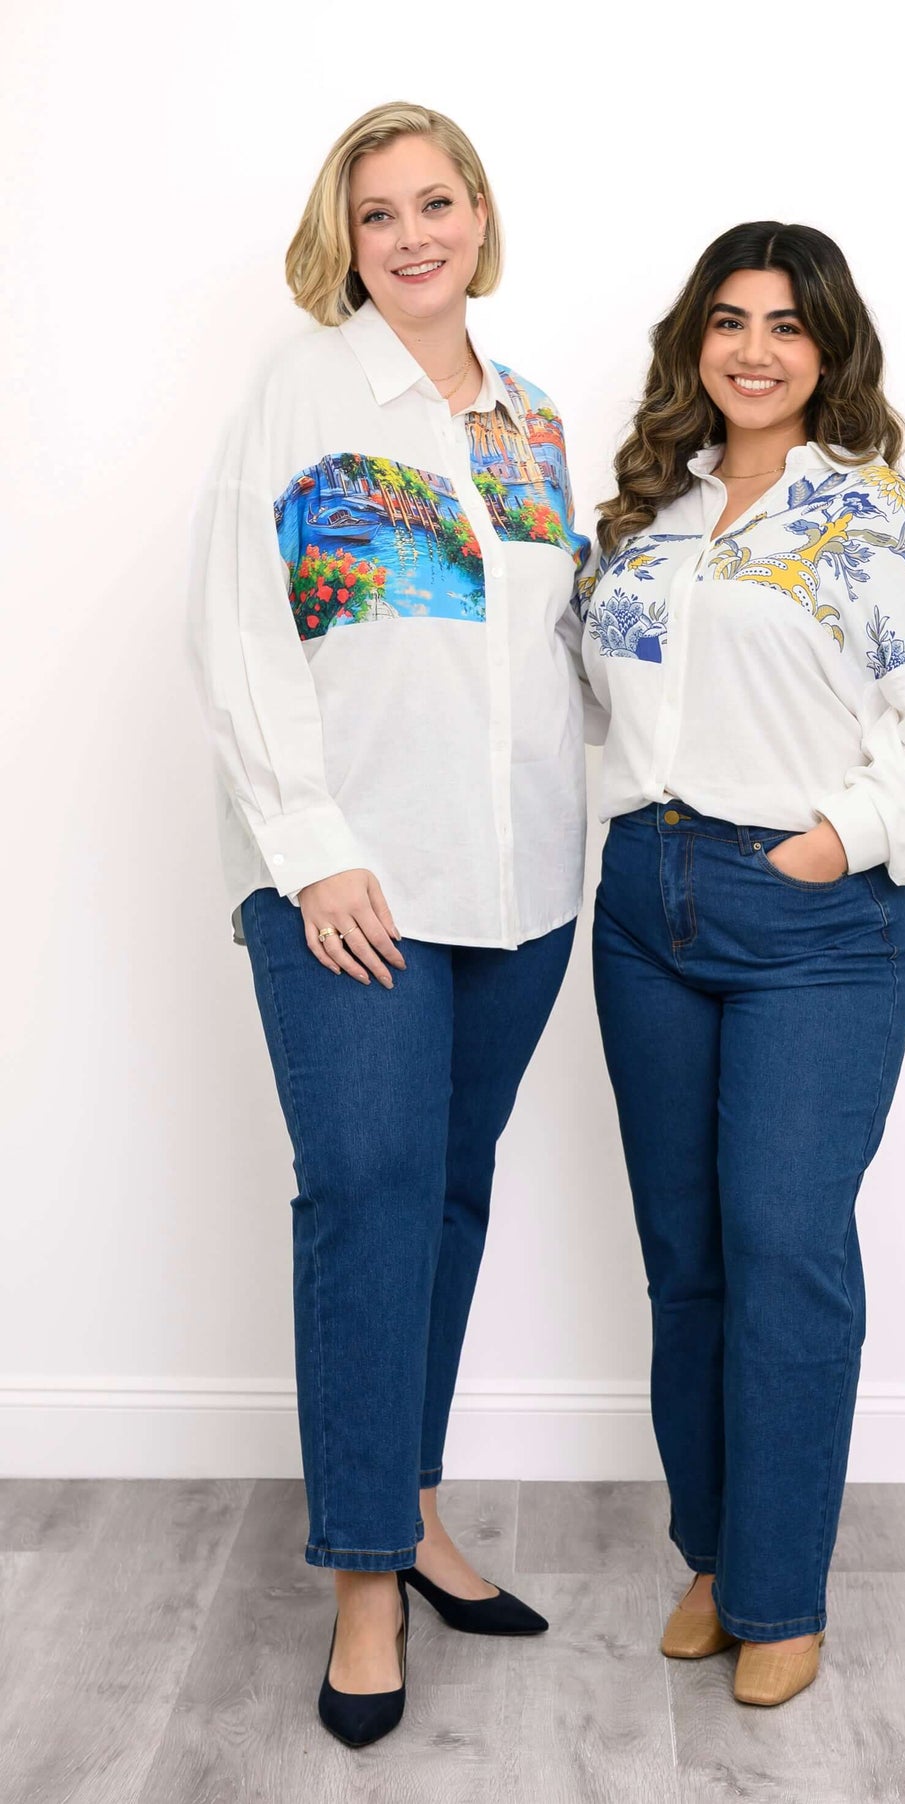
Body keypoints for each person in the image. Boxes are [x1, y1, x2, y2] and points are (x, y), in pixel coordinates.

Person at [187, 101, 596, 1747]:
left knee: (444, 1199)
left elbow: (556, 666)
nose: (415, 235)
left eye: (440, 204)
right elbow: (235, 632)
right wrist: (310, 849)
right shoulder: (300, 390)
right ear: (345, 238)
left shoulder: (533, 424)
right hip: (355, 888)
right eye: (381, 215)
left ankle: (413, 1512)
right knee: (363, 1198)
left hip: (522, 890)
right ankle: (366, 1578)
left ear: (483, 219)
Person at [578, 221, 905, 1707]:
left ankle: (783, 1591)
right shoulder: (641, 526)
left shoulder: (880, 522)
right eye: (730, 321)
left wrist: (829, 840)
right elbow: (580, 705)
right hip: (646, 911)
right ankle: (716, 1554)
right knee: (687, 1260)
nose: (754, 348)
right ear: (695, 341)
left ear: (829, 352)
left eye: (787, 326)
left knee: (787, 1250)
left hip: (814, 925)